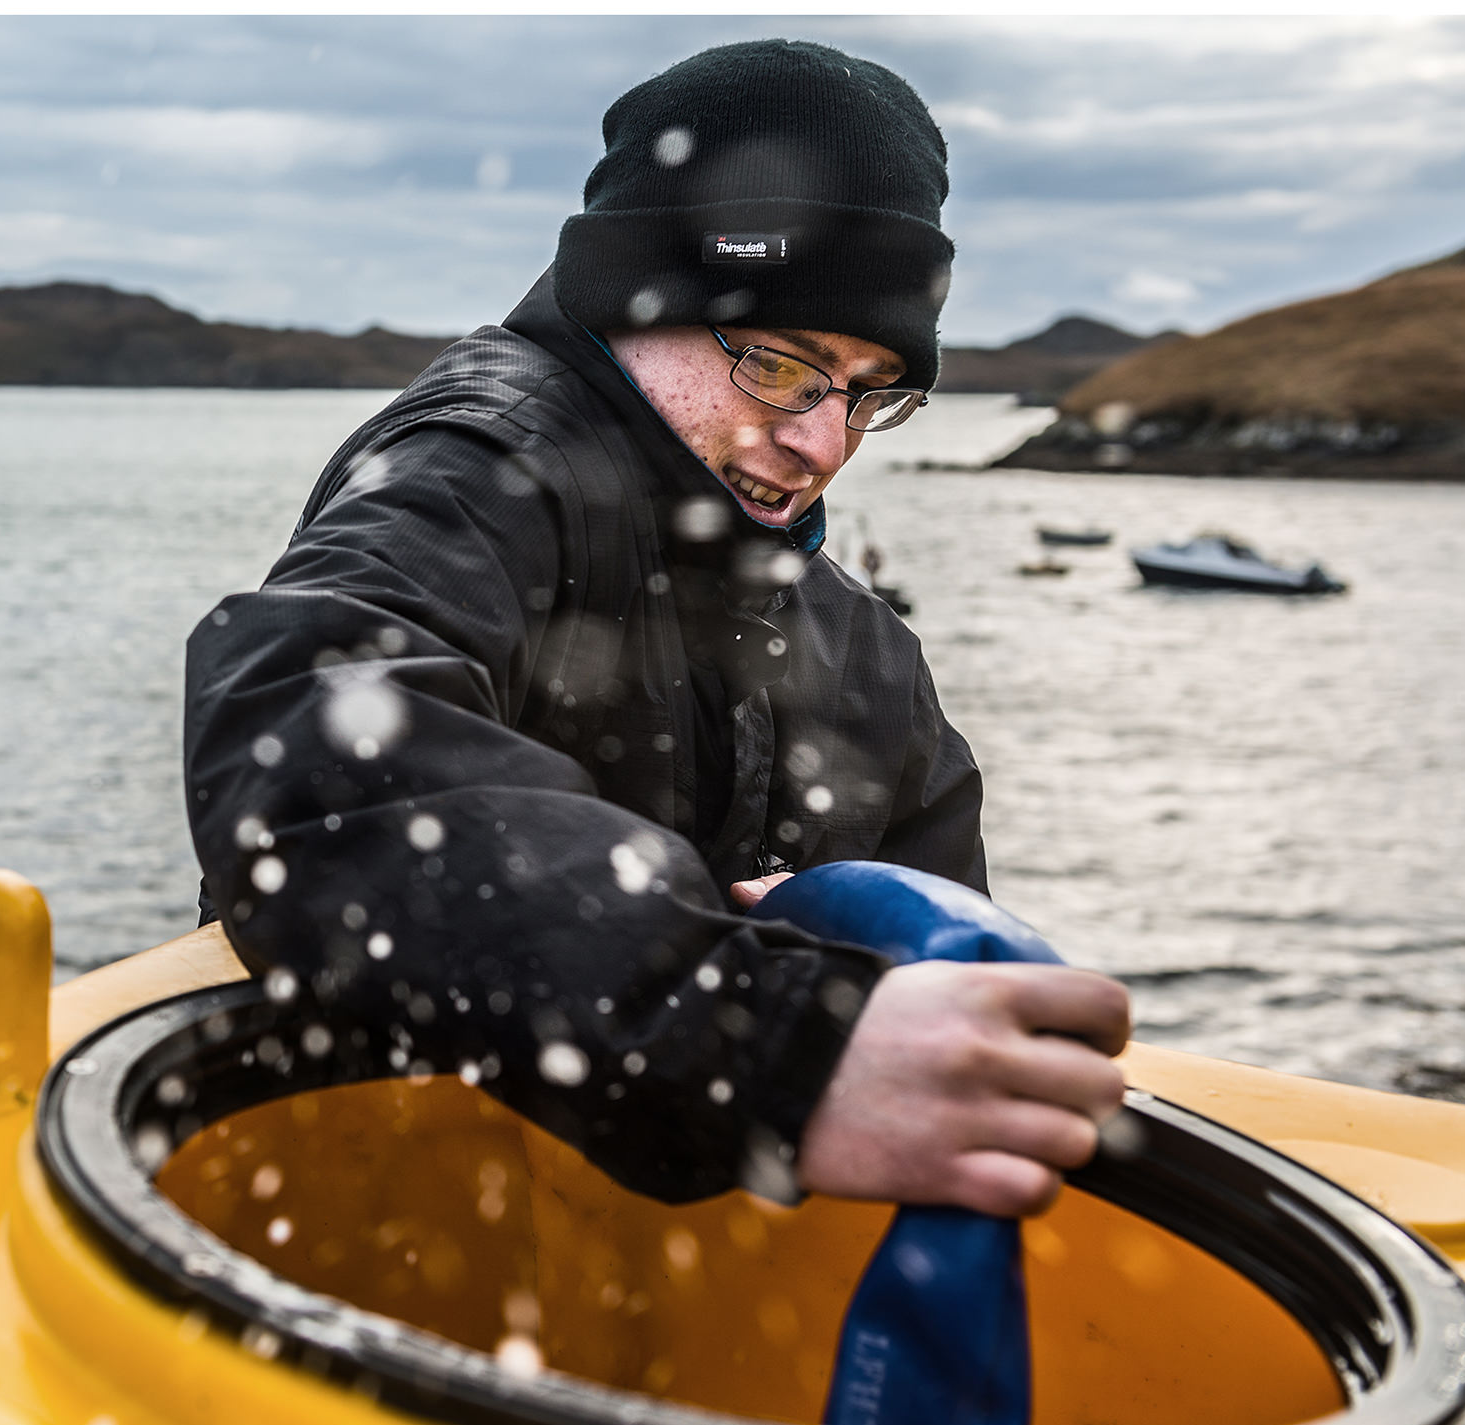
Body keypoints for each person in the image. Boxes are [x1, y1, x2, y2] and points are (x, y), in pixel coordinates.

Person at [184, 39, 1128, 1218]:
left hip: (670, 1307)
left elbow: (944, 958)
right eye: (781, 363)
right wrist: (764, 1037)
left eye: (872, 391)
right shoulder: (481, 474)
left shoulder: (869, 656)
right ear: (638, 298)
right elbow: (307, 735)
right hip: (358, 1238)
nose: (822, 445)